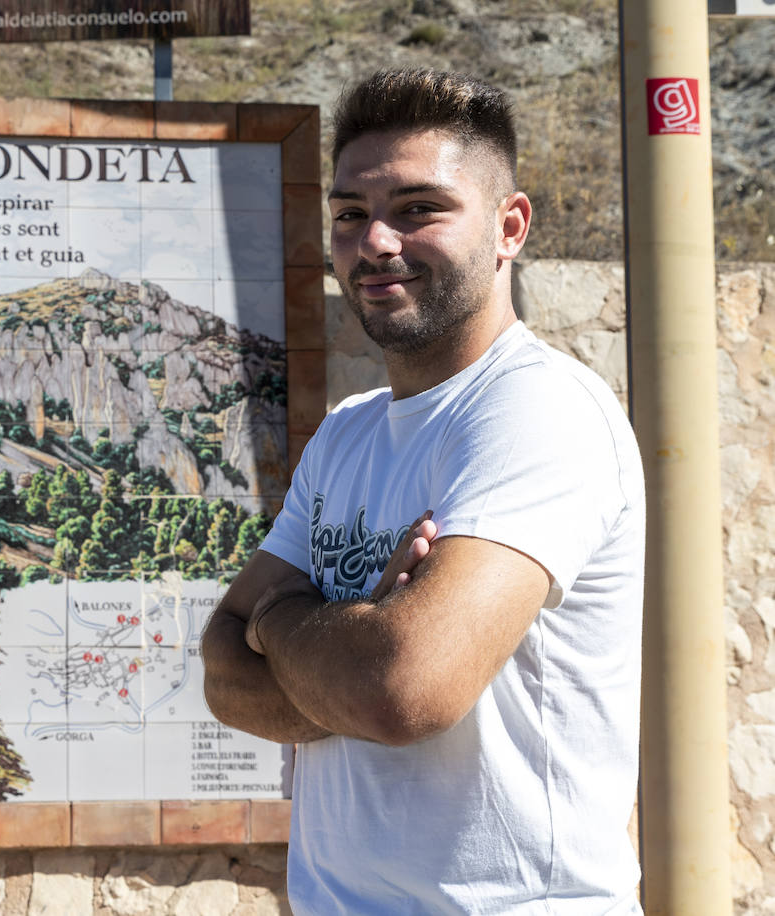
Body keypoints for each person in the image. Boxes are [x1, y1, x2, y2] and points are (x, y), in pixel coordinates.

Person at [200, 68, 645, 914]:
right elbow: (223, 676)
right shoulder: (349, 432)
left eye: (418, 209)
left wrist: (278, 621)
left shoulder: (537, 410)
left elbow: (402, 691)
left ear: (510, 226)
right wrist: (353, 641)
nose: (376, 243)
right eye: (350, 215)